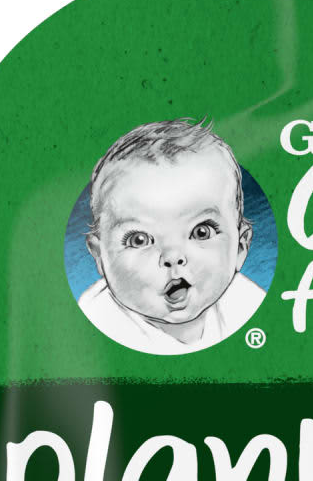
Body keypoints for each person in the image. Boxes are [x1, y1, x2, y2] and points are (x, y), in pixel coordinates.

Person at [79, 118, 265, 352]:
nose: (173, 256)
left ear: (240, 247)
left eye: (201, 232)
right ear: (99, 256)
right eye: (139, 239)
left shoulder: (246, 303)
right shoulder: (94, 326)